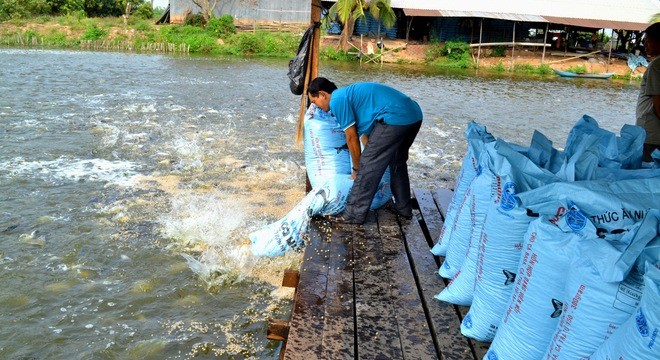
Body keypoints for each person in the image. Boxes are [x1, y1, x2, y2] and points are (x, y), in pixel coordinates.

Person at [306, 77, 423, 224]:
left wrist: (357, 169)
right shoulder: (350, 96)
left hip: (395, 118)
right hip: (413, 116)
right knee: (396, 162)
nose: (316, 106)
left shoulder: (336, 100)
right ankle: (404, 209)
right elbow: (366, 136)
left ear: (322, 94)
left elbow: (351, 138)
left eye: (314, 102)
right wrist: (372, 156)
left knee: (367, 166)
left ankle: (353, 215)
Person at [637, 22, 660, 162]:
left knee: (646, 172)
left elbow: (658, 103)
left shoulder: (656, 65)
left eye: (649, 41)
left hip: (650, 132)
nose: (645, 45)